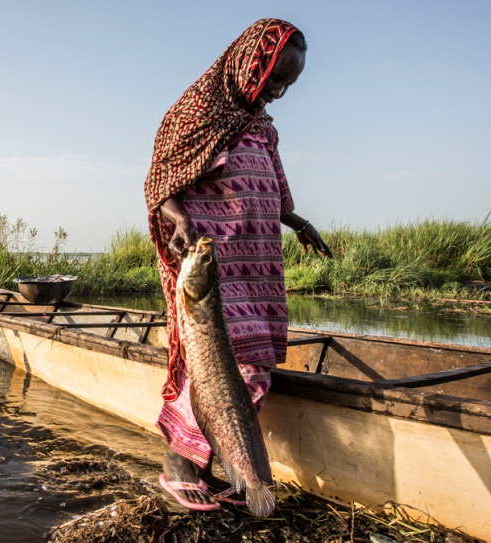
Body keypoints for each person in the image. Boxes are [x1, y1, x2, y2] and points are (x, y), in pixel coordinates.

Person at [143, 18, 332, 511]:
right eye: (274, 78)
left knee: (255, 364)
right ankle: (182, 462)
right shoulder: (197, 111)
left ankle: (238, 474)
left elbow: (272, 186)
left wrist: (297, 220)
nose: (279, 91)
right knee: (217, 363)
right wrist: (179, 219)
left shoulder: (264, 127)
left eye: (288, 83)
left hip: (259, 264)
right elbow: (159, 185)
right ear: (251, 61)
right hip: (209, 261)